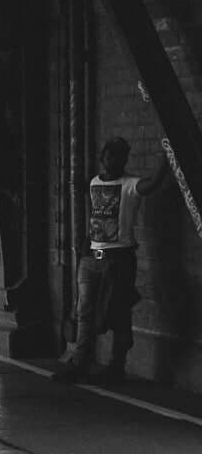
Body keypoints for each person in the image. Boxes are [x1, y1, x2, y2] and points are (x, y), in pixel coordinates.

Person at [53, 136, 168, 384]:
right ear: (102, 158)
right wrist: (84, 253)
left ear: (125, 159)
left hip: (118, 260)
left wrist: (167, 154)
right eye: (109, 155)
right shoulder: (94, 183)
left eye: (119, 156)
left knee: (117, 312)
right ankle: (79, 362)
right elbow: (94, 218)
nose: (113, 160)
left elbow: (154, 183)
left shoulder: (130, 185)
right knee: (84, 311)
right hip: (91, 259)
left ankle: (117, 366)